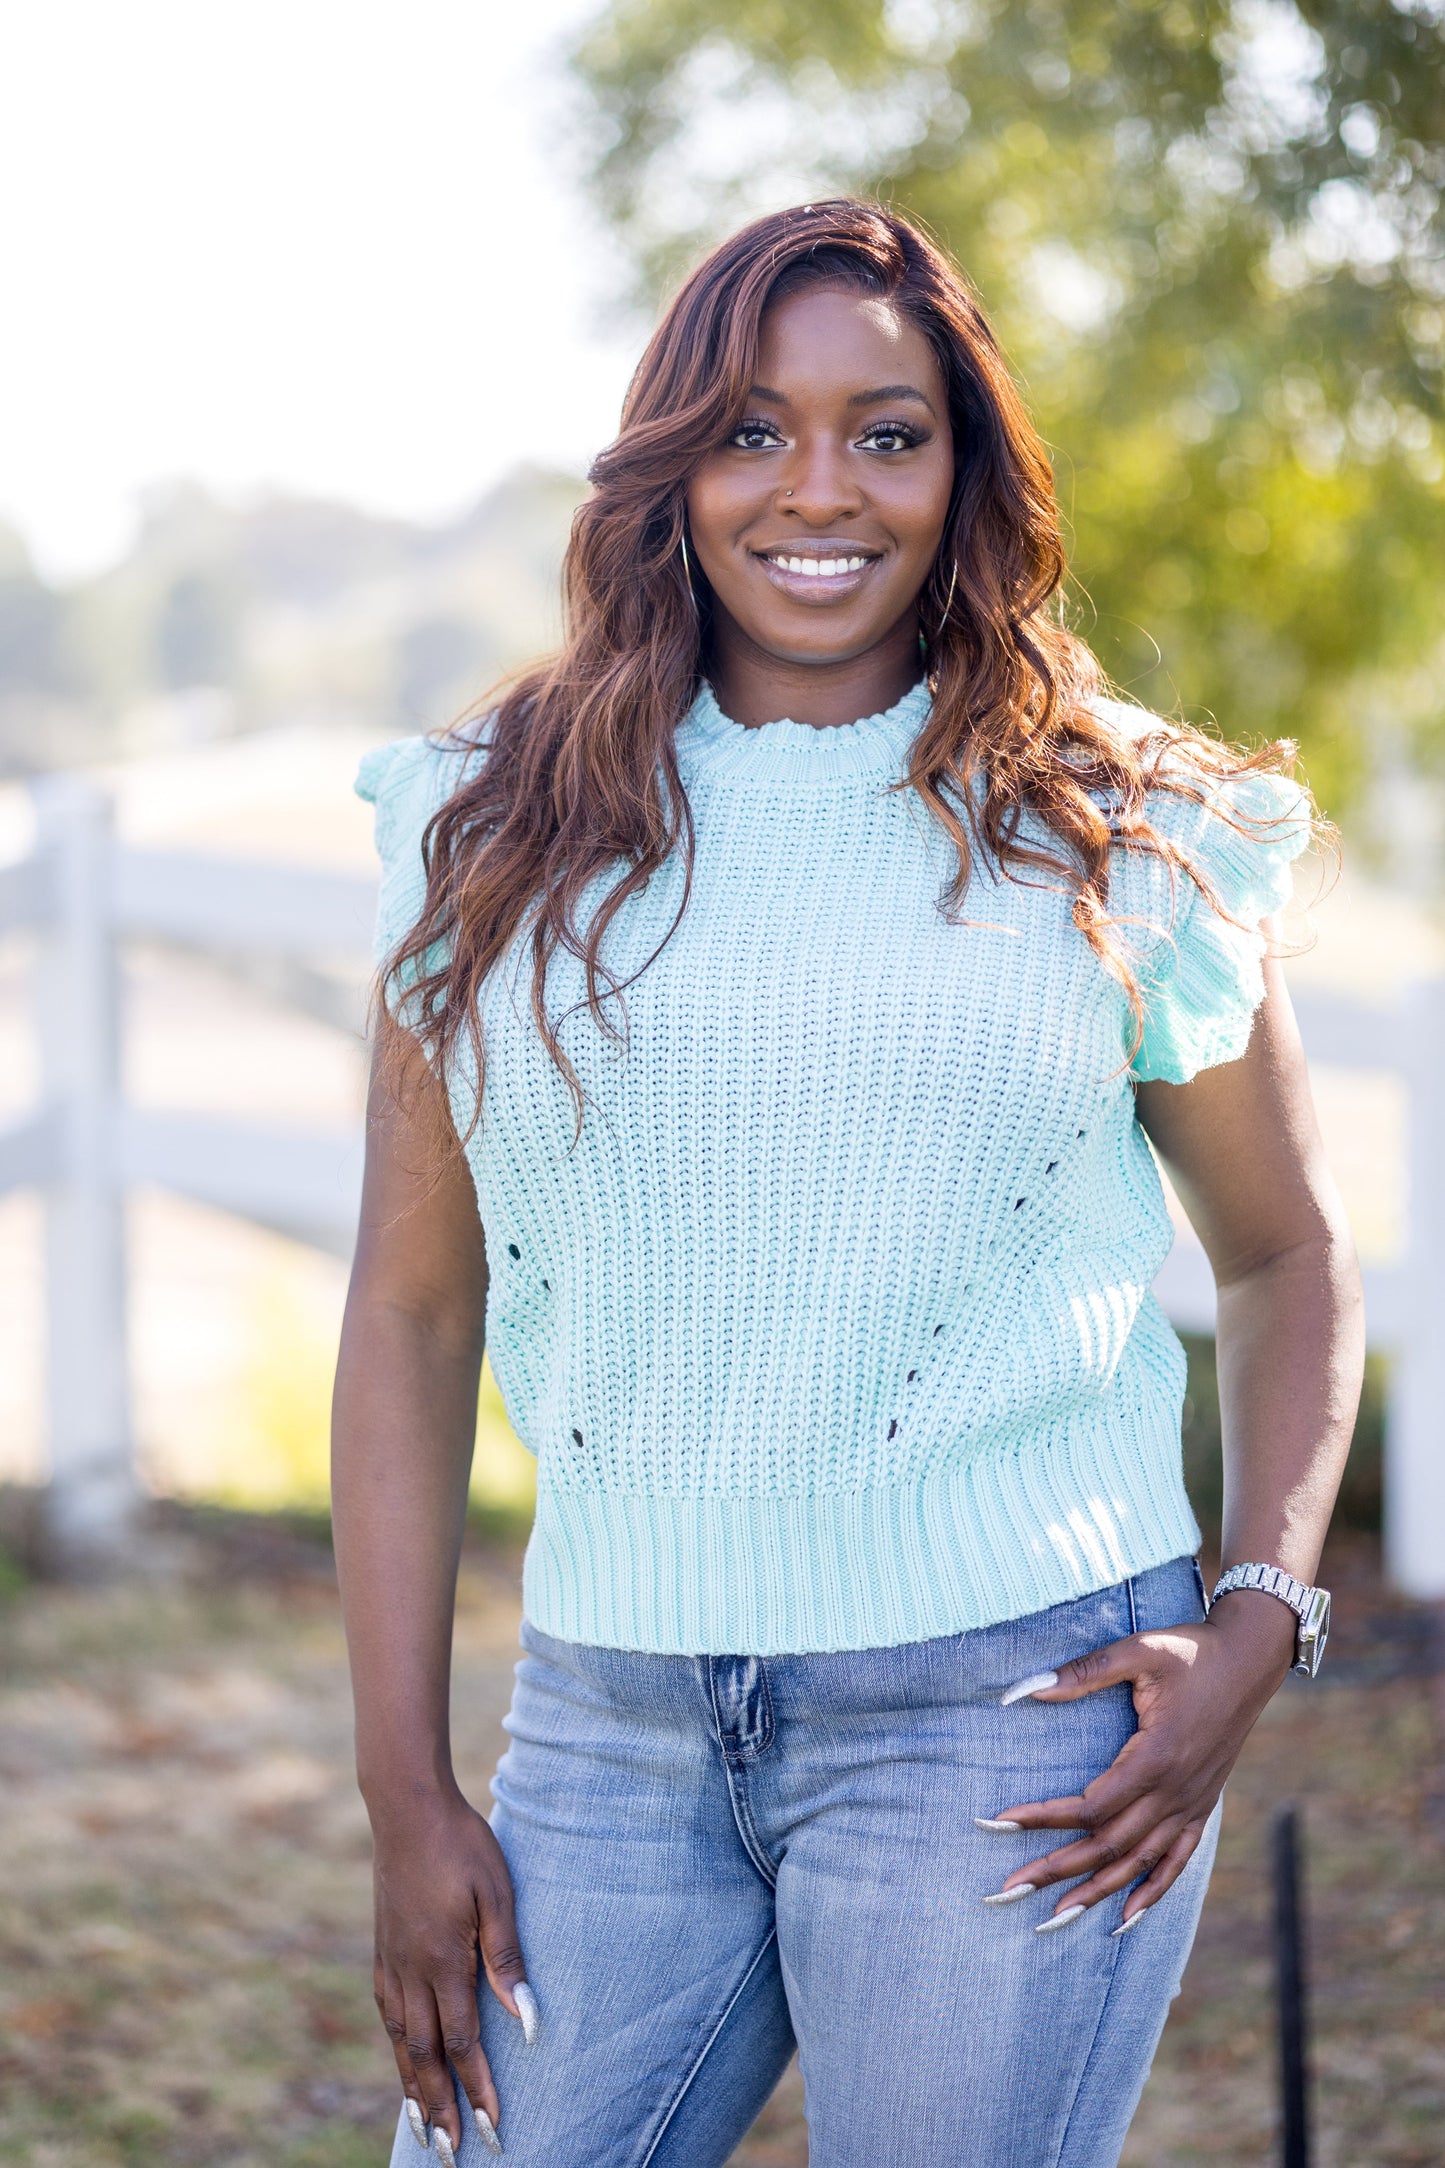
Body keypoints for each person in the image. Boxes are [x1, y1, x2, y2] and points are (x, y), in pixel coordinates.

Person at [332, 200, 1363, 2168]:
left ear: (964, 467)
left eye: (887, 431)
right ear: (670, 469)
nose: (821, 489)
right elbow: (410, 1310)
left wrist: (1258, 1619)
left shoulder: (1118, 825)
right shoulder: (486, 826)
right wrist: (405, 1791)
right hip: (608, 1730)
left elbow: (1292, 1251)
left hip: (1020, 1721)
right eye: (750, 428)